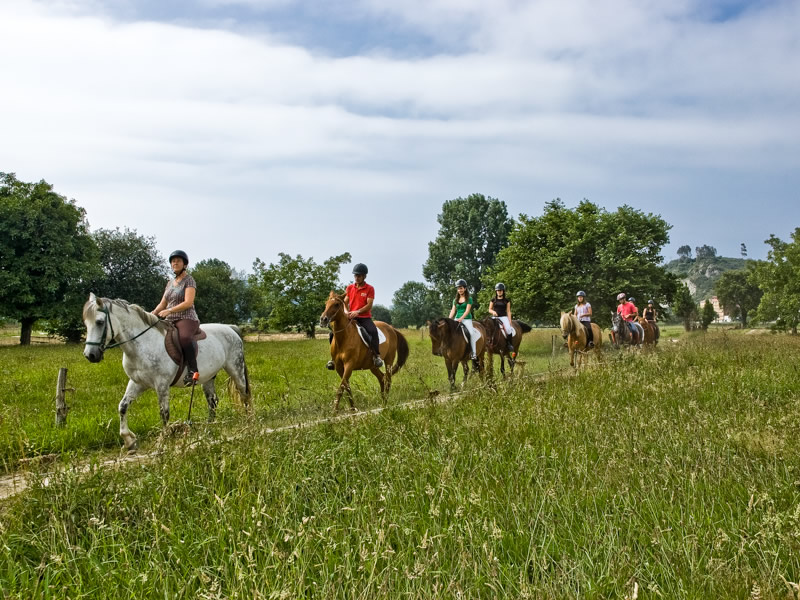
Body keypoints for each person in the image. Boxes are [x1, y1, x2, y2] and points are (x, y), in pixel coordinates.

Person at [152, 250, 200, 386]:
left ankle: (193, 371)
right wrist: (152, 314)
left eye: (178, 261)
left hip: (186, 318)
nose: (175, 263)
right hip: (170, 320)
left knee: (184, 338)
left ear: (185, 264)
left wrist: (169, 310)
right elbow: (163, 303)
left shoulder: (189, 280)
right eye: (173, 261)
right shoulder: (169, 283)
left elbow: (188, 302)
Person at [327, 263, 383, 369]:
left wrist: (357, 311)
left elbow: (369, 305)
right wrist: (346, 311)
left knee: (373, 331)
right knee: (332, 334)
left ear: (364, 276)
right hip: (350, 317)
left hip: (364, 317)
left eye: (359, 276)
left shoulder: (370, 289)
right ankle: (333, 358)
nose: (357, 278)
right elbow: (345, 302)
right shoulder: (350, 288)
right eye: (355, 275)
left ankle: (376, 356)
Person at [449, 279, 479, 366]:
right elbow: (453, 310)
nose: (459, 290)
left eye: (461, 288)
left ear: (465, 288)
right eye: (458, 288)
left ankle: (473, 353)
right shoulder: (455, 300)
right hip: (457, 318)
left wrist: (461, 318)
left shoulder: (469, 299)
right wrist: (449, 319)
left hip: (467, 319)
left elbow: (467, 311)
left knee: (471, 334)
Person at [488, 283, 516, 356]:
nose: (499, 292)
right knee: (488, 327)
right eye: (498, 291)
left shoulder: (507, 301)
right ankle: (487, 343)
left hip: (503, 317)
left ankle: (509, 344)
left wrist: (510, 321)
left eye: (500, 290)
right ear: (496, 291)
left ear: (503, 291)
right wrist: (493, 312)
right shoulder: (493, 300)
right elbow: (489, 309)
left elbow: (508, 311)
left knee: (508, 329)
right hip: (495, 317)